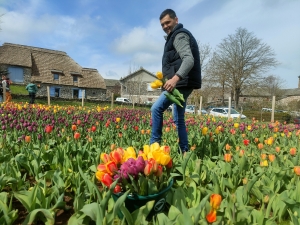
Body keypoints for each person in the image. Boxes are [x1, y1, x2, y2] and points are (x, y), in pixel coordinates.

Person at [150, 9, 201, 153]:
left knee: (156, 109)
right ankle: (184, 151)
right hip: (182, 82)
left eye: (168, 22)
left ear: (176, 20)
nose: (165, 26)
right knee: (178, 118)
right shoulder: (172, 37)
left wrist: (174, 79)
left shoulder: (179, 35)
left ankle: (154, 148)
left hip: (180, 83)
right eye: (162, 25)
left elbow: (189, 59)